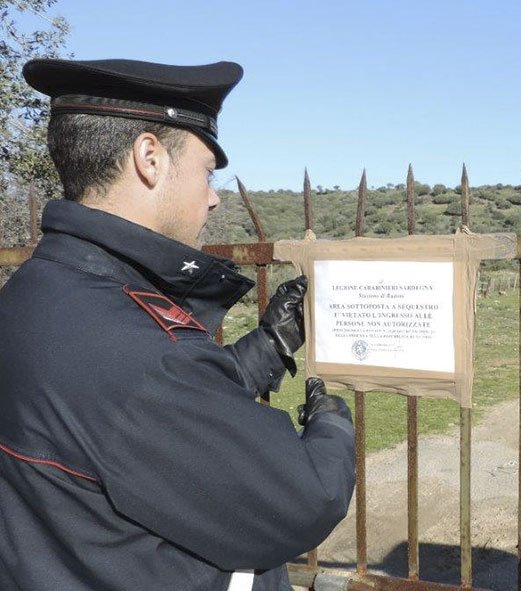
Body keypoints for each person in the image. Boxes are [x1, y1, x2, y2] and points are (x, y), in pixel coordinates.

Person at [0, 58, 356, 591]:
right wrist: (332, 426)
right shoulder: (135, 346)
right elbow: (304, 499)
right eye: (207, 172)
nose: (213, 196)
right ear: (150, 158)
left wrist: (269, 346)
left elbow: (143, 420)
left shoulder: (37, 291)